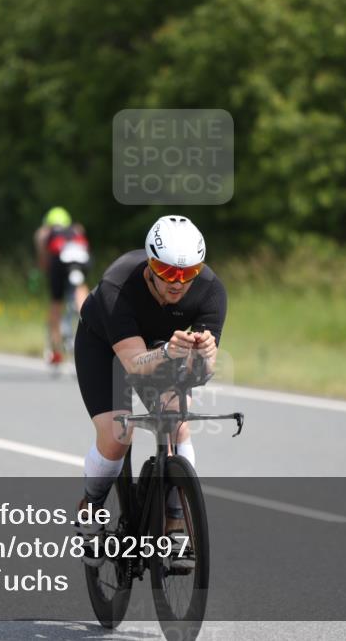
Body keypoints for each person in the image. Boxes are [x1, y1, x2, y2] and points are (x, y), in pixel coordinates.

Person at [74, 215, 227, 535]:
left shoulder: (211, 291)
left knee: (177, 420)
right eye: (167, 271)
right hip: (103, 344)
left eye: (188, 273)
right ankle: (92, 504)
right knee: (117, 437)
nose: (177, 282)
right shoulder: (118, 284)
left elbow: (198, 374)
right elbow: (132, 364)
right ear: (150, 264)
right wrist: (170, 353)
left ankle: (175, 519)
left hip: (159, 344)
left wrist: (205, 359)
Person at [34, 207, 90, 365]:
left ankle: (56, 351)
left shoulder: (44, 232)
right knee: (80, 289)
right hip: (81, 261)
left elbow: (44, 260)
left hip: (59, 263)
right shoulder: (76, 229)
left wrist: (45, 269)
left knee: (55, 305)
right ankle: (87, 317)